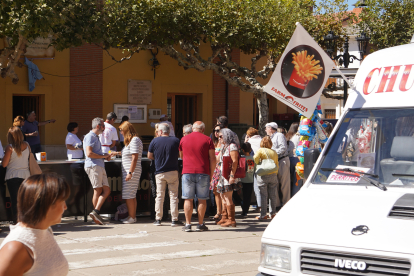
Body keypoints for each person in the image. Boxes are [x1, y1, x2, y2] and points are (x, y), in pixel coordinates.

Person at [0, 173, 70, 276]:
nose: (65, 207)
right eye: (62, 201)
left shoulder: (45, 231)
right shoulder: (16, 247)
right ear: (47, 203)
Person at [179, 121, 216, 232]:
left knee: (188, 199)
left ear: (193, 128)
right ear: (203, 129)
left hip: (187, 172)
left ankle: (188, 224)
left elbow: (181, 156)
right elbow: (212, 159)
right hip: (203, 172)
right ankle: (200, 224)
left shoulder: (183, 139)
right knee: (202, 200)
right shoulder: (208, 139)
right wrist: (212, 174)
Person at [148, 123, 182, 226]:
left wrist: (158, 160)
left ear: (161, 131)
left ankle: (158, 219)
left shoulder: (154, 141)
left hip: (160, 172)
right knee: (174, 196)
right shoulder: (176, 140)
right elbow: (181, 155)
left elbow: (150, 156)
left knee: (159, 196)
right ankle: (174, 219)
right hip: (173, 171)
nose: (157, 132)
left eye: (158, 131)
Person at [83, 117, 114, 225]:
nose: (104, 128)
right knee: (98, 190)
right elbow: (89, 153)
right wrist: (103, 156)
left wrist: (105, 156)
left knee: (106, 190)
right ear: (98, 126)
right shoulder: (90, 136)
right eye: (103, 126)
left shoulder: (95, 137)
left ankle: (95, 212)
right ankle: (95, 216)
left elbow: (94, 153)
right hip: (94, 165)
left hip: (98, 165)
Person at [112, 121, 143, 224]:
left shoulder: (134, 140)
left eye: (121, 130)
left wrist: (130, 172)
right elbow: (130, 154)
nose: (120, 132)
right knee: (131, 194)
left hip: (132, 171)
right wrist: (117, 153)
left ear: (126, 130)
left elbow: (134, 158)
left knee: (129, 195)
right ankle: (132, 216)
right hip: (131, 170)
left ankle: (132, 217)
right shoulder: (132, 141)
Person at [2, 127, 30, 222]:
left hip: (12, 176)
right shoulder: (27, 145)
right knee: (24, 200)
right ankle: (26, 221)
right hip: (26, 175)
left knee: (15, 200)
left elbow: (4, 164)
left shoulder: (9, 148)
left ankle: (17, 222)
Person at [216, 128, 242, 227]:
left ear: (227, 136)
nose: (219, 138)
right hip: (222, 175)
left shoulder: (232, 146)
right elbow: (218, 159)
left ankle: (231, 219)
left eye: (221, 136)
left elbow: (235, 161)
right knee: (222, 196)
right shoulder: (224, 146)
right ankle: (224, 217)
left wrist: (232, 175)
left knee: (227, 197)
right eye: (218, 137)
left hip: (228, 175)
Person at [265, 122, 290, 209]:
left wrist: (272, 154)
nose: (265, 130)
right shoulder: (270, 138)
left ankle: (286, 204)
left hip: (282, 160)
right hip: (274, 162)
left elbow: (283, 148)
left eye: (266, 128)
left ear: (270, 129)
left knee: (284, 184)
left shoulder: (279, 135)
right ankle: (276, 205)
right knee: (274, 184)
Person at [253, 136, 279, 220]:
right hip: (273, 175)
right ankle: (273, 213)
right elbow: (276, 164)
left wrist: (258, 162)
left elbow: (255, 158)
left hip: (263, 175)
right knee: (273, 195)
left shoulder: (260, 150)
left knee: (263, 195)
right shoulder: (274, 152)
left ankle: (263, 215)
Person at [244, 127, 262, 212]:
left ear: (249, 135)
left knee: (256, 186)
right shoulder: (261, 140)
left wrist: (245, 140)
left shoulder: (250, 142)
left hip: (254, 165)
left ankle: (260, 206)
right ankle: (263, 205)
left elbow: (246, 150)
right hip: (264, 165)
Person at [210, 124, 223, 222]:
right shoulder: (213, 143)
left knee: (222, 192)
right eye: (215, 130)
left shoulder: (224, 143)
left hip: (222, 169)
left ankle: (223, 213)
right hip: (214, 169)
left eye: (218, 130)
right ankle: (218, 212)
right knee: (215, 191)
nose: (216, 132)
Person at [239, 142, 255, 218]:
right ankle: (245, 211)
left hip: (242, 180)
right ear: (251, 149)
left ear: (242, 150)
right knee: (248, 196)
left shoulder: (241, 158)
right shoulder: (253, 158)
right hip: (250, 180)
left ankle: (243, 206)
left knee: (239, 195)